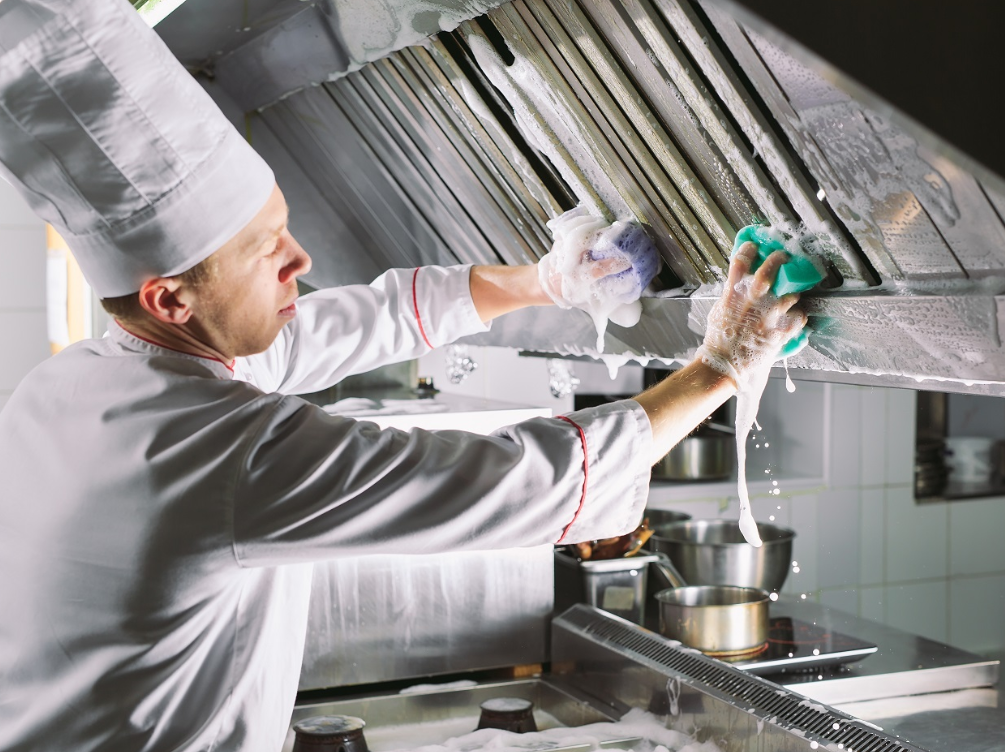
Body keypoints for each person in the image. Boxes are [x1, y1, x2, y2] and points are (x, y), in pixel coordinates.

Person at [0, 1, 806, 750]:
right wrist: (722, 364)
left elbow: (352, 324)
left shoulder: (81, 383)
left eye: (283, 227)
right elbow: (518, 483)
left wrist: (549, 281)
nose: (300, 261)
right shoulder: (218, 453)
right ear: (168, 297)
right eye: (265, 250)